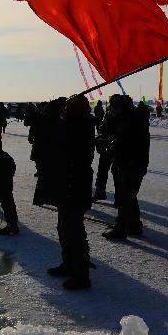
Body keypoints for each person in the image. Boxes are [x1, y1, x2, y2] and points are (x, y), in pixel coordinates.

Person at [46, 95, 95, 289]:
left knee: (74, 232)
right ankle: (69, 264)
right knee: (64, 229)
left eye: (67, 109)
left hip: (75, 185)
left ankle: (81, 275)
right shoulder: (72, 125)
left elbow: (57, 136)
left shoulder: (79, 127)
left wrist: (53, 113)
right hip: (67, 184)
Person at [103, 95, 150, 240]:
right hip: (126, 162)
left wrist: (116, 144)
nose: (112, 110)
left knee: (125, 197)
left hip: (133, 164)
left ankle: (120, 229)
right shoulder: (125, 119)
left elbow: (133, 143)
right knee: (129, 196)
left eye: (114, 107)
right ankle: (134, 225)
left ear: (122, 107)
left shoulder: (134, 121)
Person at [31, 98, 66, 205]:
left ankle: (41, 197)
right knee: (44, 175)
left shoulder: (47, 119)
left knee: (44, 175)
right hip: (46, 152)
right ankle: (41, 197)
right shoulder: (50, 120)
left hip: (44, 152)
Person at [92, 95, 120, 202]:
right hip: (107, 147)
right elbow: (102, 128)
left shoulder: (124, 117)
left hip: (118, 148)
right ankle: (100, 192)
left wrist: (114, 139)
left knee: (117, 173)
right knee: (102, 170)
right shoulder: (108, 114)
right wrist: (101, 138)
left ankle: (119, 197)